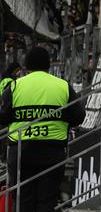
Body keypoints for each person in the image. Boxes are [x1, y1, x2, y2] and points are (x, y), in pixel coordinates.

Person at [0, 47, 85, 212]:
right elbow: (78, 117)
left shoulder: (15, 86)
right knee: (47, 201)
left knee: (22, 200)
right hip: (52, 152)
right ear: (48, 65)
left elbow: (3, 117)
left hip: (21, 151)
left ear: (26, 66)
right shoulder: (63, 86)